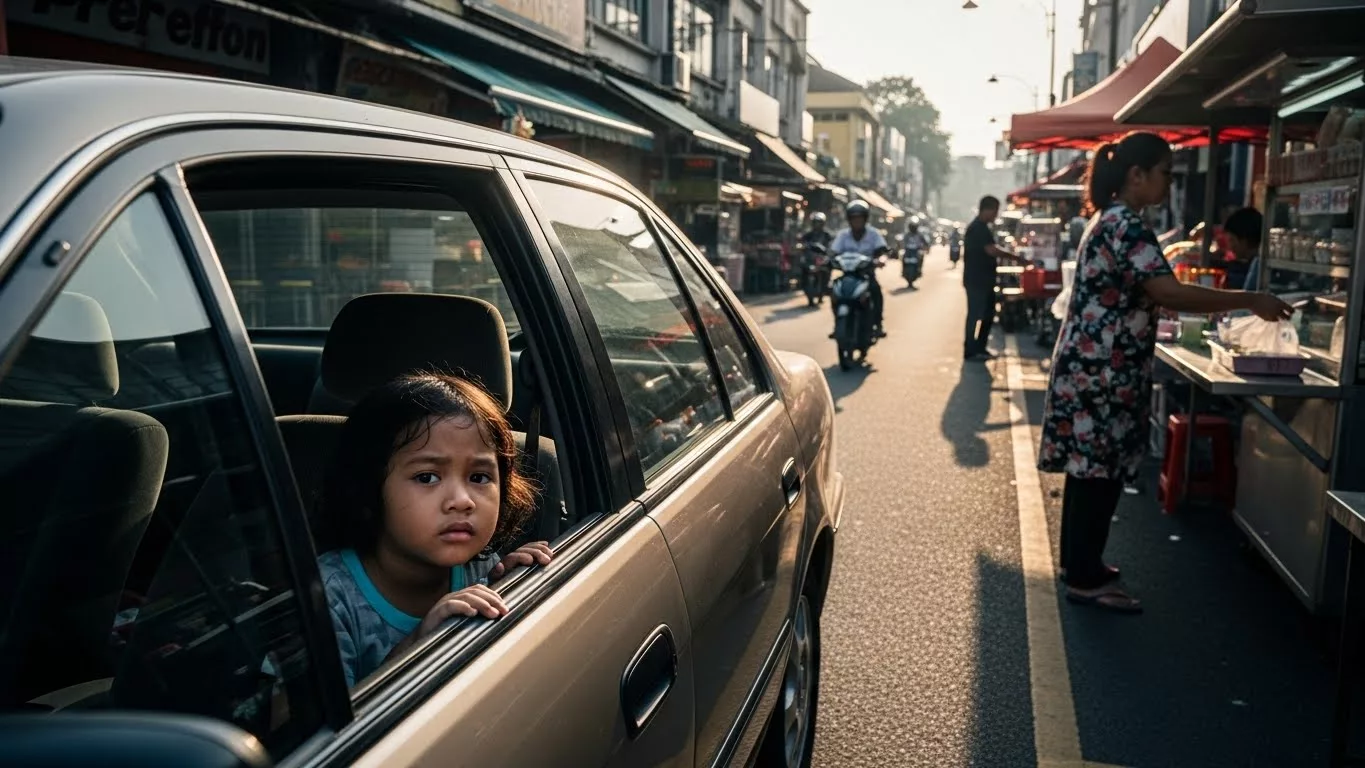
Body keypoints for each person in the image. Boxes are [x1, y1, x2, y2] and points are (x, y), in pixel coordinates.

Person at [1037, 131, 1293, 614]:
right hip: (1103, 371)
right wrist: (1249, 299)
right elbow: (1168, 292)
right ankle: (1085, 576)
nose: (1166, 183)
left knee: (1091, 470)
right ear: (1137, 175)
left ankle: (1081, 563)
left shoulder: (1108, 220)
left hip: (1095, 365)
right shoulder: (1126, 225)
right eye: (1164, 174)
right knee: (1098, 471)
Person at [315, 372, 555, 686]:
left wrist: (507, 586)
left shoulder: (481, 568)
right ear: (368, 489)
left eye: (479, 477)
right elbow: (310, 730)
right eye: (427, 477)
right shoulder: (325, 599)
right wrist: (419, 643)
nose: (462, 501)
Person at [963, 195, 1017, 360]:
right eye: (995, 211)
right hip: (976, 279)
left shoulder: (984, 227)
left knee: (987, 314)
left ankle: (980, 347)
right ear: (987, 209)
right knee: (975, 314)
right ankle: (971, 349)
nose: (996, 215)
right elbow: (991, 250)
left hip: (985, 279)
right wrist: (1016, 257)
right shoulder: (978, 228)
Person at [830, 199, 890, 337]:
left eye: (859, 218)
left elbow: (882, 250)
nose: (857, 221)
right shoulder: (843, 235)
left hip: (866, 275)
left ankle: (878, 324)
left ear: (865, 219)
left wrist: (881, 259)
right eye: (854, 218)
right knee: (834, 292)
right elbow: (834, 252)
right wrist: (828, 260)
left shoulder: (874, 234)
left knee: (876, 291)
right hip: (847, 275)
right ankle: (838, 323)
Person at [1221, 207, 1264, 291]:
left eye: (1231, 240)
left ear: (1244, 241)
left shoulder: (1257, 267)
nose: (1230, 247)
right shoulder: (1246, 265)